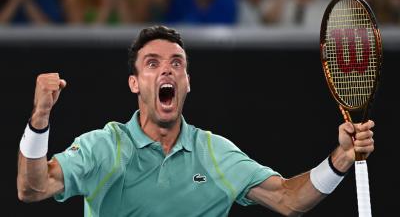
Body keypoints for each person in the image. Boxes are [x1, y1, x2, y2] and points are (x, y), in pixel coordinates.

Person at [17, 25, 375, 217]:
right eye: (152, 63)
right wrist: (40, 119)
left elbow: (288, 200)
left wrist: (340, 159)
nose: (167, 69)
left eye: (177, 63)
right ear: (134, 83)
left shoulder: (215, 154)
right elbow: (32, 189)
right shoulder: (104, 147)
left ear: (186, 82)